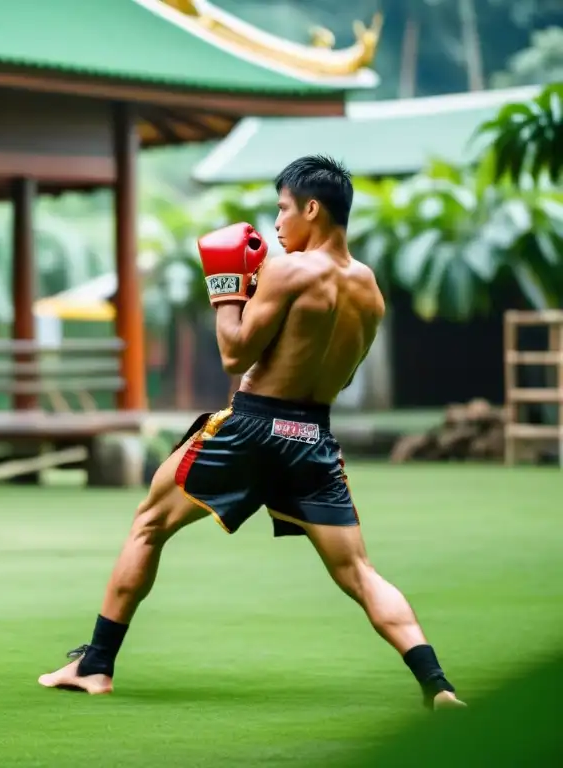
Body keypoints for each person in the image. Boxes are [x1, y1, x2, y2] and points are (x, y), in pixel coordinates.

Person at [38, 155, 465, 711]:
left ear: (313, 209)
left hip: (253, 425)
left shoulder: (290, 270)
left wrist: (225, 291)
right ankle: (438, 686)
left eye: (284, 209)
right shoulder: (370, 292)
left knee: (148, 524)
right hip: (312, 437)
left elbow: (234, 351)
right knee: (359, 572)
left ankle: (95, 665)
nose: (279, 223)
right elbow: (343, 373)